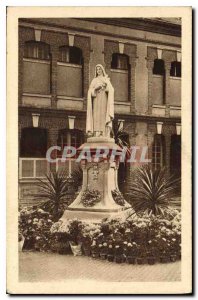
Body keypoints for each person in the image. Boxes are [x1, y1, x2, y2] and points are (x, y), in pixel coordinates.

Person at [86, 64, 114, 137]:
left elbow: (111, 90)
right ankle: (97, 133)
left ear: (102, 70)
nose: (98, 71)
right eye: (97, 69)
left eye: (99, 69)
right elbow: (90, 91)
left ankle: (103, 132)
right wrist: (95, 89)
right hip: (96, 100)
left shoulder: (106, 79)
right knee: (96, 115)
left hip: (104, 99)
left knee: (103, 114)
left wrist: (106, 86)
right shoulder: (94, 80)